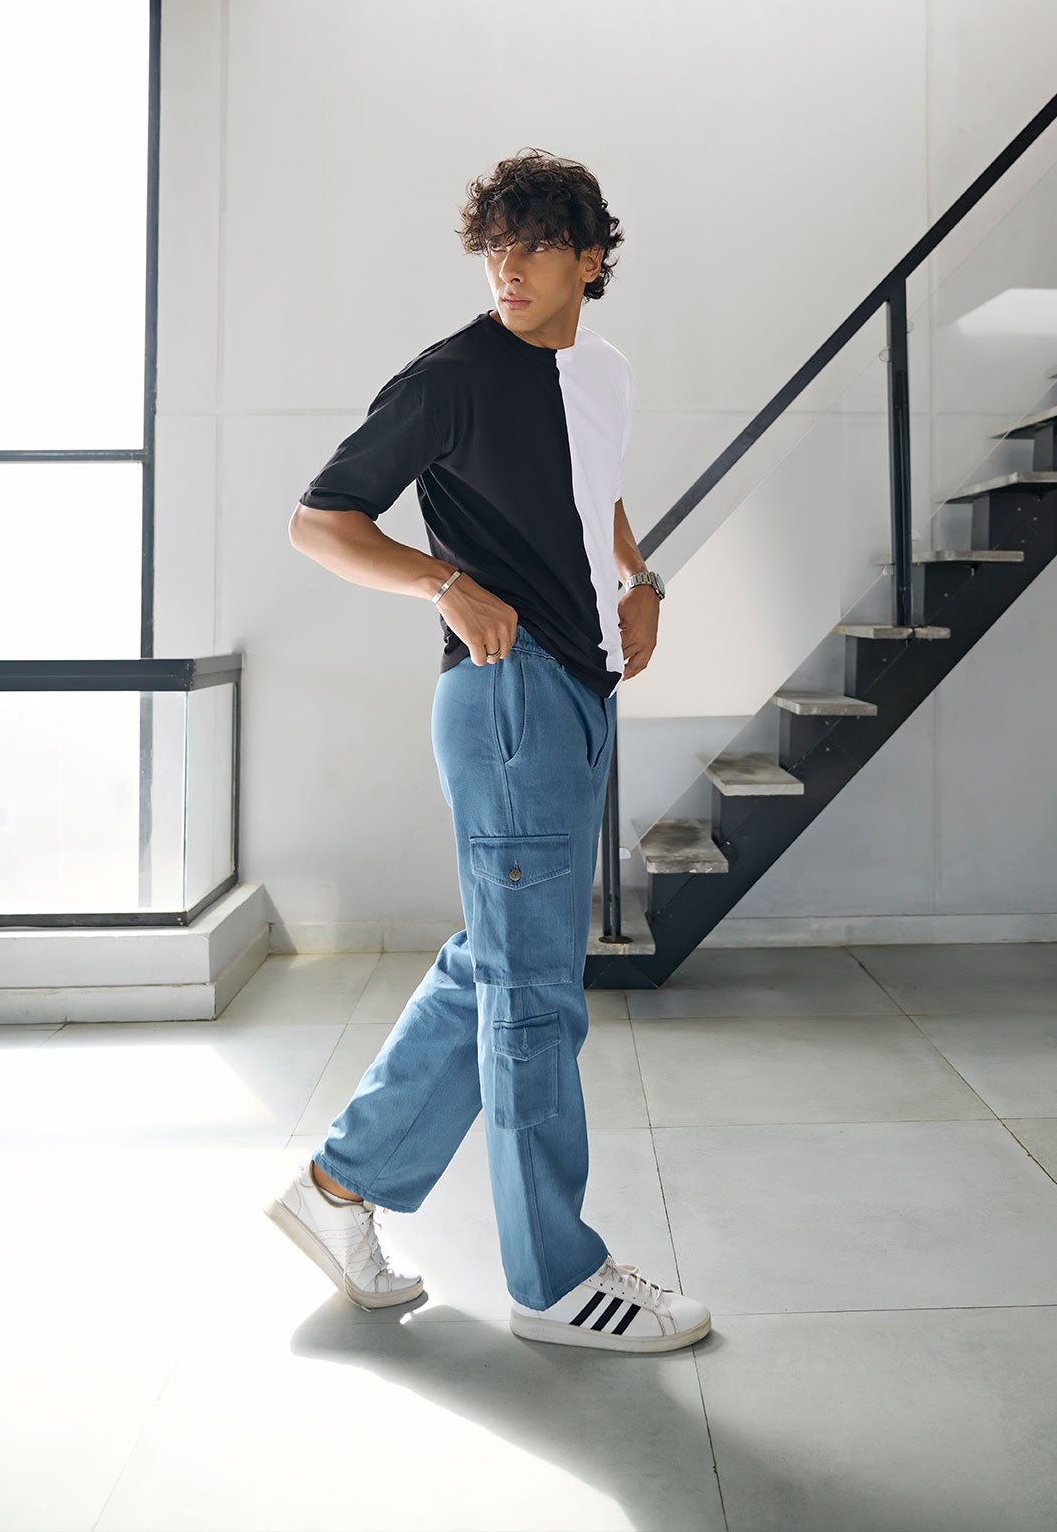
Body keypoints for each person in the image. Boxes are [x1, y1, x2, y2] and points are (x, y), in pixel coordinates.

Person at [264, 148, 711, 1353]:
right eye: (492, 247)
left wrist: (641, 575)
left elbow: (594, 485)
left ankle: (339, 1186)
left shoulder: (602, 370)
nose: (505, 268)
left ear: (590, 259)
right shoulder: (452, 376)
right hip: (506, 699)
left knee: (499, 963)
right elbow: (321, 519)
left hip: (579, 690)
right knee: (532, 995)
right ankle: (554, 1278)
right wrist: (443, 582)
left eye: (531, 245)